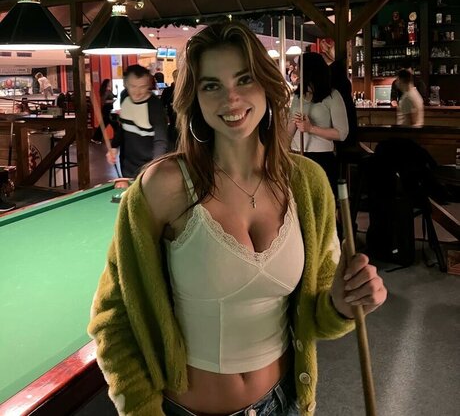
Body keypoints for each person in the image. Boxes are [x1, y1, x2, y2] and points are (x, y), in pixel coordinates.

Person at [89, 22, 386, 416]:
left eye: (244, 79)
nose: (231, 98)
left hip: (284, 404)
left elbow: (318, 318)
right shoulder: (163, 185)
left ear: (267, 85)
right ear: (195, 98)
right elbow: (112, 319)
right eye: (211, 85)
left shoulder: (308, 184)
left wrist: (344, 303)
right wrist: (141, 409)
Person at [288, 52, 349, 196]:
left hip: (321, 158)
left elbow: (342, 133)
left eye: (299, 67)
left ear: (309, 70)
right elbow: (291, 126)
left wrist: (311, 128)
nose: (296, 70)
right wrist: (283, 149)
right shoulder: (298, 96)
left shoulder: (332, 96)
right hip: (297, 155)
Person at [106, 64, 168, 177]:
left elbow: (161, 140)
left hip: (149, 166)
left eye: (142, 86)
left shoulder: (155, 105)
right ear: (125, 84)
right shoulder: (125, 97)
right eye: (133, 86)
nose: (137, 92)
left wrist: (155, 166)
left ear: (148, 85)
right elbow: (123, 126)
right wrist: (114, 147)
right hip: (127, 166)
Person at [91, 79, 117, 144]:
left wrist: (117, 89)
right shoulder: (106, 91)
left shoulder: (108, 90)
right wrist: (112, 101)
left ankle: (95, 138)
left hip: (109, 108)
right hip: (107, 109)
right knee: (114, 124)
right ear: (107, 83)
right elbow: (103, 101)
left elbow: (114, 96)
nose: (111, 83)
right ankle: (119, 139)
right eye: (110, 82)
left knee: (105, 124)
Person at [161, 69, 179, 150]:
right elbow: (162, 105)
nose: (177, 78)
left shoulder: (187, 89)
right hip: (172, 121)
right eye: (176, 76)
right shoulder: (168, 91)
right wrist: (165, 116)